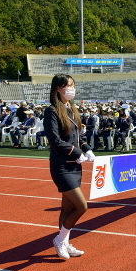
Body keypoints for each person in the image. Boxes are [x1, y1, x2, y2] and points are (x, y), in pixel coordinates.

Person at [44, 74, 95, 260]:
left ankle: (64, 243)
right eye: (68, 86)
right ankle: (59, 240)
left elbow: (78, 137)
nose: (71, 89)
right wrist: (76, 152)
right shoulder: (51, 111)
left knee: (67, 208)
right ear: (58, 88)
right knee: (81, 206)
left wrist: (87, 149)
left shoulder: (72, 109)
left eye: (73, 85)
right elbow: (55, 141)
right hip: (62, 165)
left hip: (75, 165)